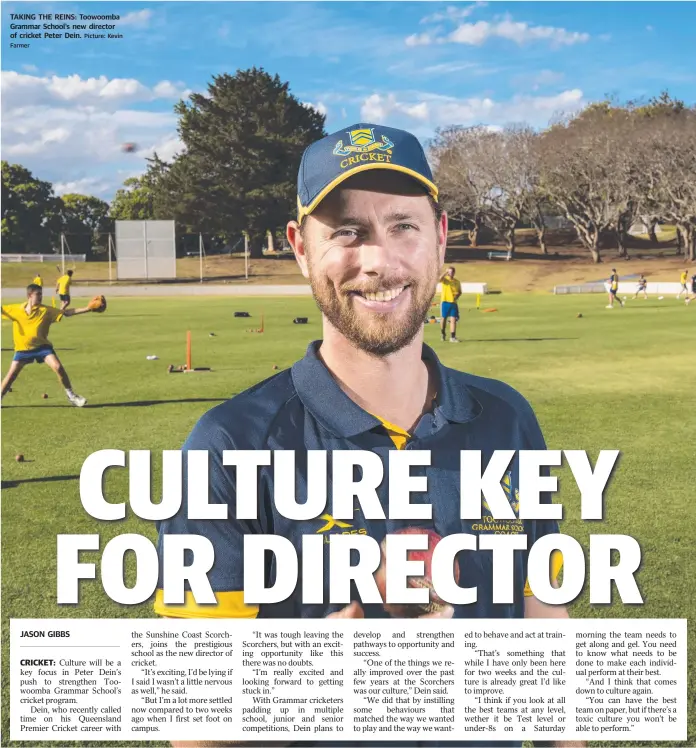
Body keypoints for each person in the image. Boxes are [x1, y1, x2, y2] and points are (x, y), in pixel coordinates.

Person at [156, 123, 580, 748]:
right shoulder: (231, 445)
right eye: (347, 232)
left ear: (439, 239)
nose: (378, 261)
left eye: (402, 226)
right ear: (301, 247)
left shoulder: (506, 419)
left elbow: (544, 630)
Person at [1, 283, 98, 406]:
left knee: (58, 367)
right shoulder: (16, 309)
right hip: (23, 350)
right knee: (10, 376)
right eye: (38, 294)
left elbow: (67, 312)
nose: (41, 296)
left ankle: (71, 396)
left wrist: (88, 308)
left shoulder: (46, 310)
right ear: (30, 295)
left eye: (41, 294)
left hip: (42, 348)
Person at [439, 266, 461, 342]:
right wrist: (445, 272)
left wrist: (457, 296)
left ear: (454, 273)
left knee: (453, 320)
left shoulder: (457, 282)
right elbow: (439, 279)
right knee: (444, 319)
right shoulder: (445, 280)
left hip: (453, 303)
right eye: (449, 272)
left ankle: (452, 337)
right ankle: (443, 333)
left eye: (451, 272)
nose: (450, 274)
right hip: (445, 302)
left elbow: (460, 292)